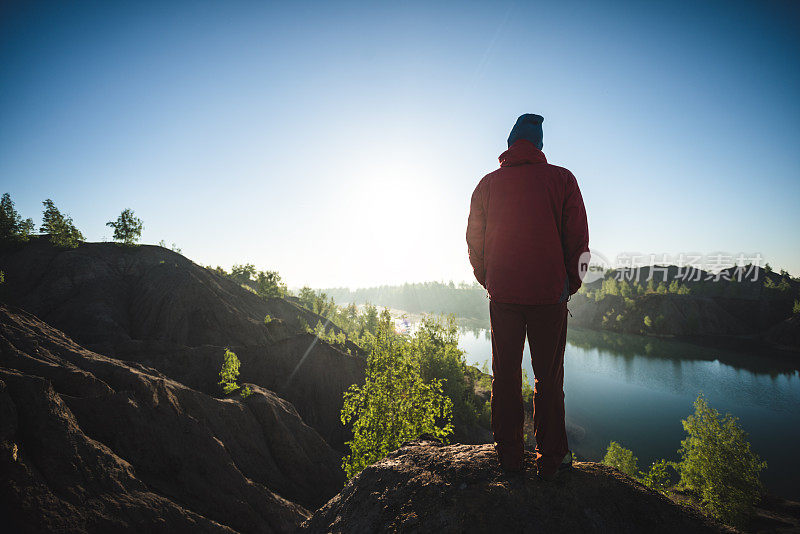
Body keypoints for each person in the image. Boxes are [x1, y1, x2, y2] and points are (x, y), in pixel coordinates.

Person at [466, 113, 589, 480]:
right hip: (550, 297)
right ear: (539, 145)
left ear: (509, 145)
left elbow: (474, 240)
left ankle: (509, 457)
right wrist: (570, 284)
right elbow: (579, 242)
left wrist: (487, 278)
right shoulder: (562, 179)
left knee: (504, 377)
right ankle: (552, 458)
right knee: (549, 379)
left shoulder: (487, 185)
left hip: (503, 296)